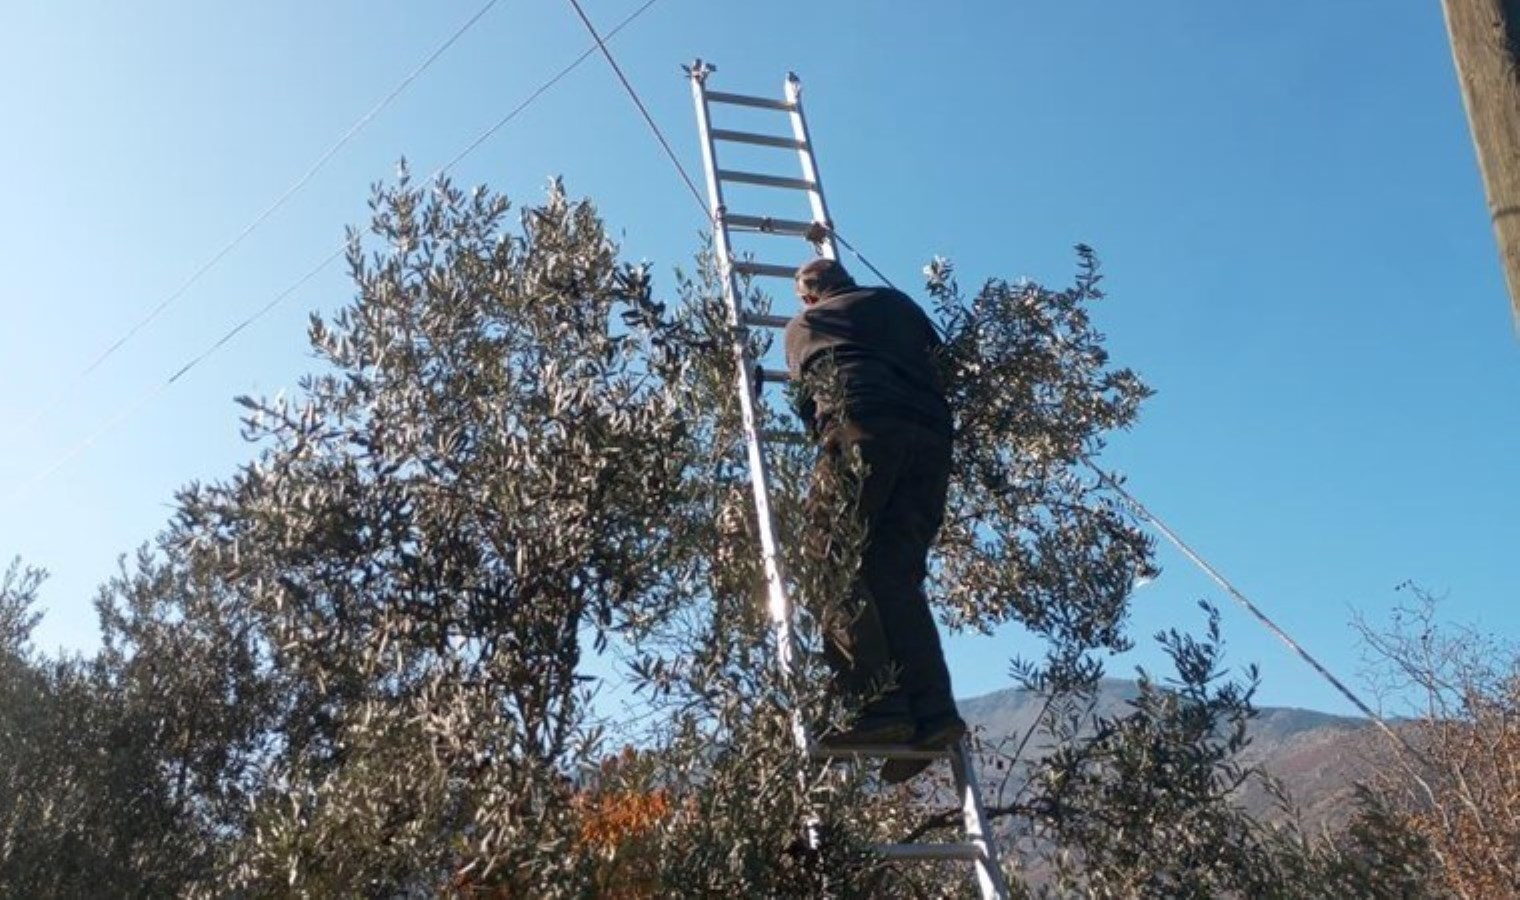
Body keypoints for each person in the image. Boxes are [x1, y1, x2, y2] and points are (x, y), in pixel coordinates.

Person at [784, 257, 965, 784]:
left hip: (862, 425)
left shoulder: (802, 328)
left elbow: (809, 410)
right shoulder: (897, 303)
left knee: (829, 561)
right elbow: (939, 360)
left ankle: (872, 707)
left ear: (810, 297)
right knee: (893, 573)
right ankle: (933, 716)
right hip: (931, 441)